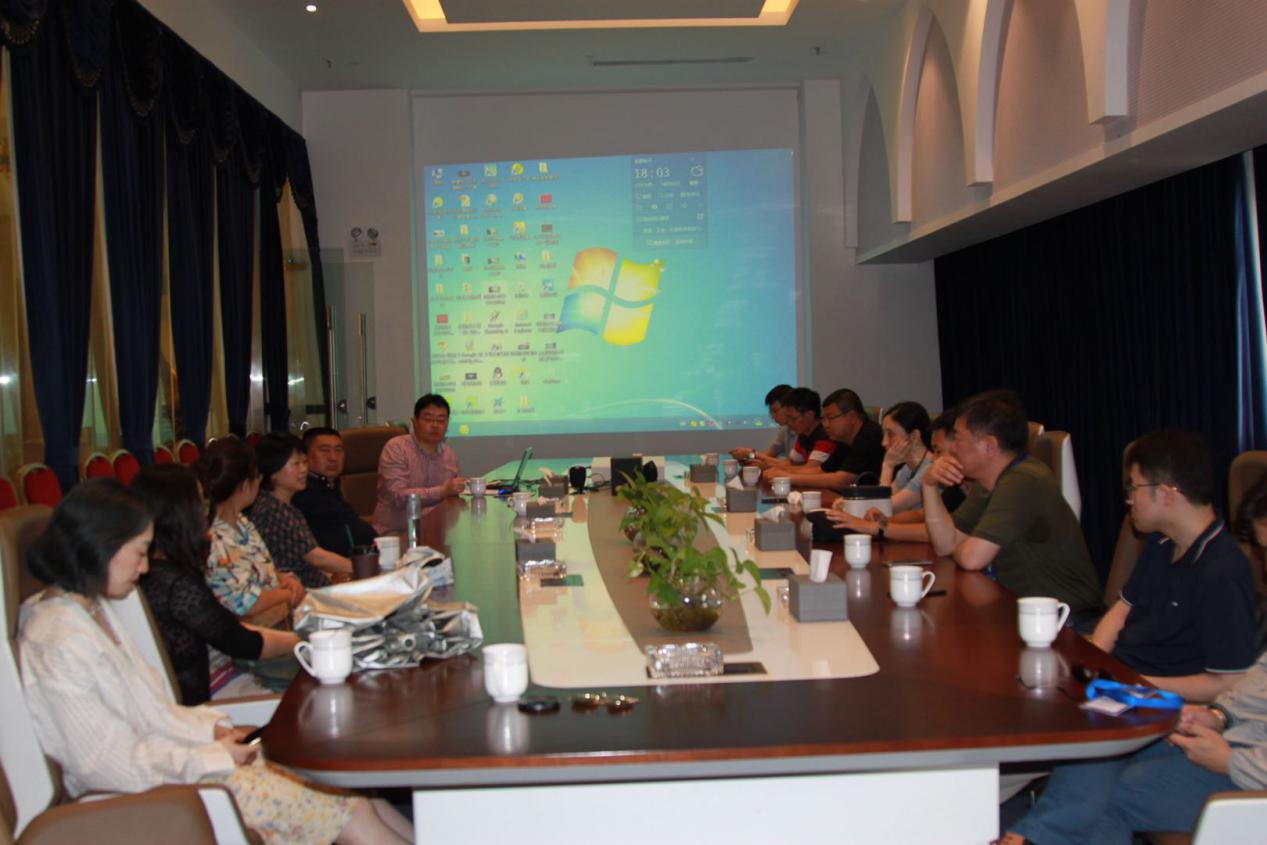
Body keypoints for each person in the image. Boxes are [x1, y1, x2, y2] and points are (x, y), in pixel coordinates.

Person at [18, 479, 414, 843]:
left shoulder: (91, 611)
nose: (144, 567)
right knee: (345, 808)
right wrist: (210, 755)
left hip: (179, 769)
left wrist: (213, 730)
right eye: (138, 552)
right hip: (151, 795)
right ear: (100, 545)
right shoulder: (57, 641)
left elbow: (153, 715)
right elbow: (104, 765)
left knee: (350, 791)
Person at [1090, 430, 1257, 701]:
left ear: (1167, 493)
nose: (1129, 499)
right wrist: (1093, 662)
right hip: (1121, 684)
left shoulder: (1223, 571)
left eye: (1134, 488)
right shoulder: (1160, 543)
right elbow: (1122, 609)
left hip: (1160, 704)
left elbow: (1228, 682)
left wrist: (1138, 684)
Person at [921, 389, 1104, 630]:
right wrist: (929, 486)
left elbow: (971, 558)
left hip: (1067, 623)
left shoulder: (1024, 480)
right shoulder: (987, 482)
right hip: (1024, 614)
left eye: (958, 438)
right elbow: (945, 545)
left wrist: (961, 545)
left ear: (989, 445)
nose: (952, 448)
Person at [133, 465, 300, 704]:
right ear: (180, 513)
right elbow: (239, 641)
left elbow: (226, 626)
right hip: (213, 693)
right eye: (200, 504)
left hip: (220, 675)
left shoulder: (162, 570)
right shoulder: (176, 583)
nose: (205, 514)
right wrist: (302, 640)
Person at [199, 439, 305, 625]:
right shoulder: (214, 537)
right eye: (258, 478)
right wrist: (286, 594)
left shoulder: (241, 522)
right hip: (248, 632)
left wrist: (283, 578)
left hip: (276, 620)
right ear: (245, 484)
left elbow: (258, 571)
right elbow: (246, 603)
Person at [250, 432, 353, 588]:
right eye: (296, 464)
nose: (304, 469)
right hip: (297, 593)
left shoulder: (284, 506)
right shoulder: (272, 510)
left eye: (305, 462)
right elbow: (316, 558)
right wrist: (363, 567)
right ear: (273, 471)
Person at [373, 393, 466, 533]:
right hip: (396, 532)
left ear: (447, 425)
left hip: (435, 532)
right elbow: (399, 497)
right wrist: (442, 491)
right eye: (428, 419)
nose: (435, 425)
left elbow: (452, 497)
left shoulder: (449, 455)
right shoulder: (396, 448)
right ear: (414, 422)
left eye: (441, 420)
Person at [764, 388, 883, 491]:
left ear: (851, 417)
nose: (825, 425)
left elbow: (843, 480)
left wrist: (788, 477)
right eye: (824, 419)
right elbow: (822, 470)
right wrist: (781, 472)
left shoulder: (870, 435)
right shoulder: (843, 440)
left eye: (830, 418)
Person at [292, 426, 377, 557]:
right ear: (305, 456)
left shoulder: (330, 485)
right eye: (324, 450)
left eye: (338, 450)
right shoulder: (302, 493)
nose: (333, 457)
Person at [753, 387, 836, 474]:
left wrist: (769, 467)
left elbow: (810, 470)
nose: (789, 423)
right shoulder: (804, 434)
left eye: (793, 418)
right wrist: (768, 465)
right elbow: (791, 462)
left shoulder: (825, 435)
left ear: (810, 415)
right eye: (788, 418)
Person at [729, 384, 796, 464]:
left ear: (789, 408)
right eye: (771, 412)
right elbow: (767, 455)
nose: (773, 416)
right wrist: (747, 457)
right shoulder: (785, 430)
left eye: (775, 411)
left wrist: (750, 453)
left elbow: (795, 466)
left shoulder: (803, 431)